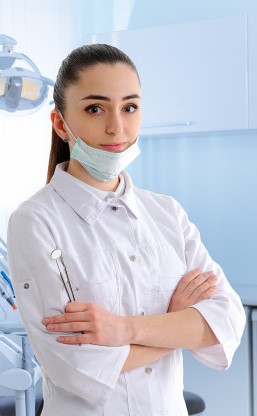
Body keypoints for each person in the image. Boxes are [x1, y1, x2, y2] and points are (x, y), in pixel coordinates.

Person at [7, 44, 245, 416]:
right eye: (95, 108)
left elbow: (228, 320)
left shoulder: (167, 213)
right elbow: (75, 369)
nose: (116, 126)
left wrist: (125, 330)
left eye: (129, 107)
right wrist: (174, 323)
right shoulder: (35, 221)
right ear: (59, 123)